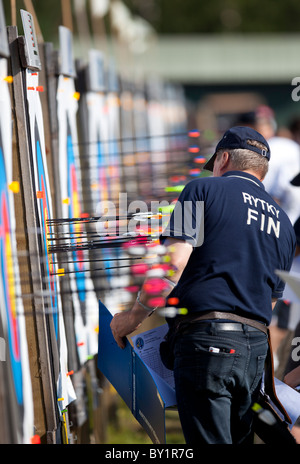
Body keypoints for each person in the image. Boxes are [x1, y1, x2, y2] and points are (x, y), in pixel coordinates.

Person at [110, 126, 296, 444]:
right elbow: (270, 303)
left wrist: (132, 317)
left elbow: (173, 265)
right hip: (253, 352)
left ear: (223, 159)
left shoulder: (201, 191)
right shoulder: (284, 222)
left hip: (207, 343)